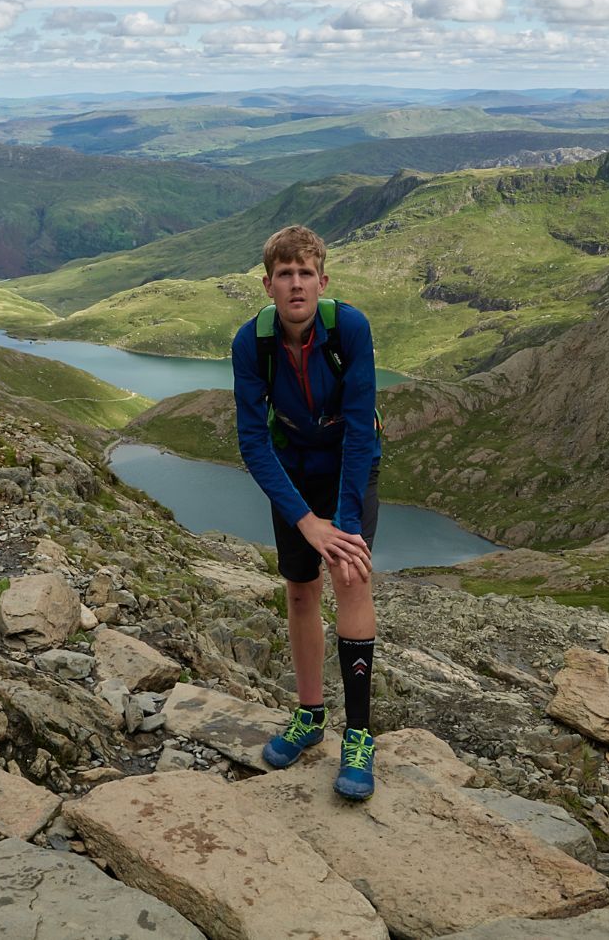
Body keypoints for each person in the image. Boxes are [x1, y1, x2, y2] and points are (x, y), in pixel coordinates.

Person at [231, 224, 382, 800]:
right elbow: (253, 442)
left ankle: (360, 736)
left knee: (349, 574)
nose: (296, 284)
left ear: (323, 279)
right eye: (284, 274)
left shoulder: (350, 329)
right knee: (299, 590)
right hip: (294, 470)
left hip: (350, 463)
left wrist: (340, 524)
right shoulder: (253, 343)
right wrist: (305, 520)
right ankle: (311, 715)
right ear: (268, 285)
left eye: (305, 272)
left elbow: (361, 429)